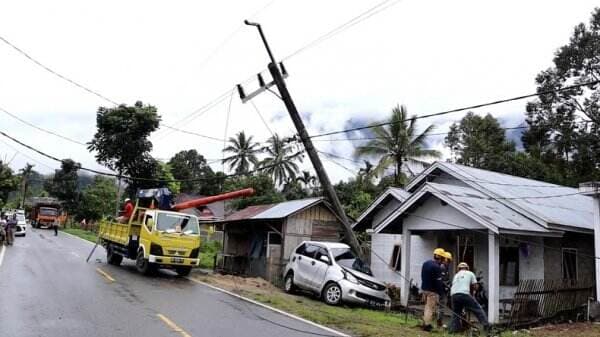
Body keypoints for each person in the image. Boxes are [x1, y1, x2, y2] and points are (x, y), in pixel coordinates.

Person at [448, 262, 490, 334]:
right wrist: (475, 289)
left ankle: (453, 330)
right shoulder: (470, 273)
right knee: (477, 309)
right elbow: (475, 286)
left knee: (456, 313)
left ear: (458, 269)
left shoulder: (456, 275)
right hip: (464, 294)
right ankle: (487, 326)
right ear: (467, 268)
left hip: (453, 295)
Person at [420, 248, 445, 331]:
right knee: (430, 308)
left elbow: (422, 275)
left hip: (424, 288)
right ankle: (427, 326)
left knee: (426, 307)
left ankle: (425, 322)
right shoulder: (437, 267)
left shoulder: (425, 263)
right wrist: (441, 293)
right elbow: (438, 282)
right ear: (441, 258)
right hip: (432, 291)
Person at [437, 251, 453, 327]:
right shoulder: (442, 267)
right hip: (442, 290)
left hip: (445, 289)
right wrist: (448, 286)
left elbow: (447, 279)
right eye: (448, 260)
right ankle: (439, 322)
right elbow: (443, 280)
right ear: (445, 259)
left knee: (446, 305)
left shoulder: (445, 267)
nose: (449, 262)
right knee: (442, 306)